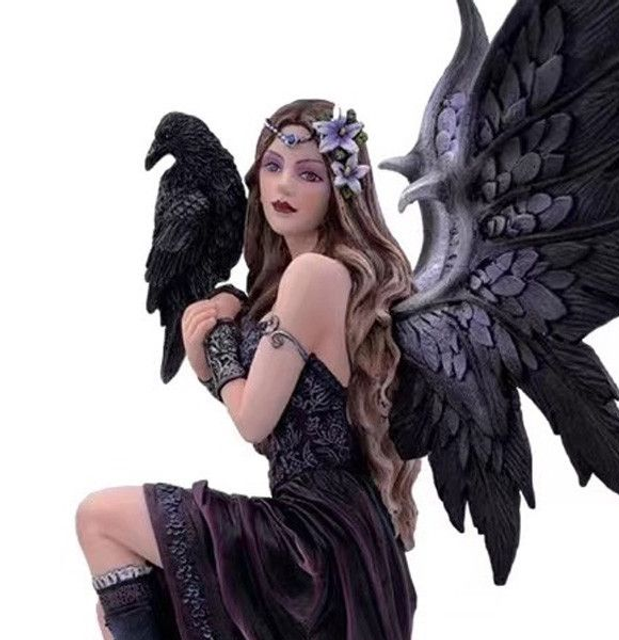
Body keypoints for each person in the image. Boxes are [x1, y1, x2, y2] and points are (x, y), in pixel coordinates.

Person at [75, 98, 422, 639]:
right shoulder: (302, 283)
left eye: (309, 174)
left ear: (340, 190)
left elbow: (252, 419)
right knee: (134, 594)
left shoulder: (313, 275)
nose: (284, 185)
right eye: (273, 166)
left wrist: (217, 352)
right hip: (341, 540)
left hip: (317, 543)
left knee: (100, 519)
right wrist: (226, 332)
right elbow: (278, 422)